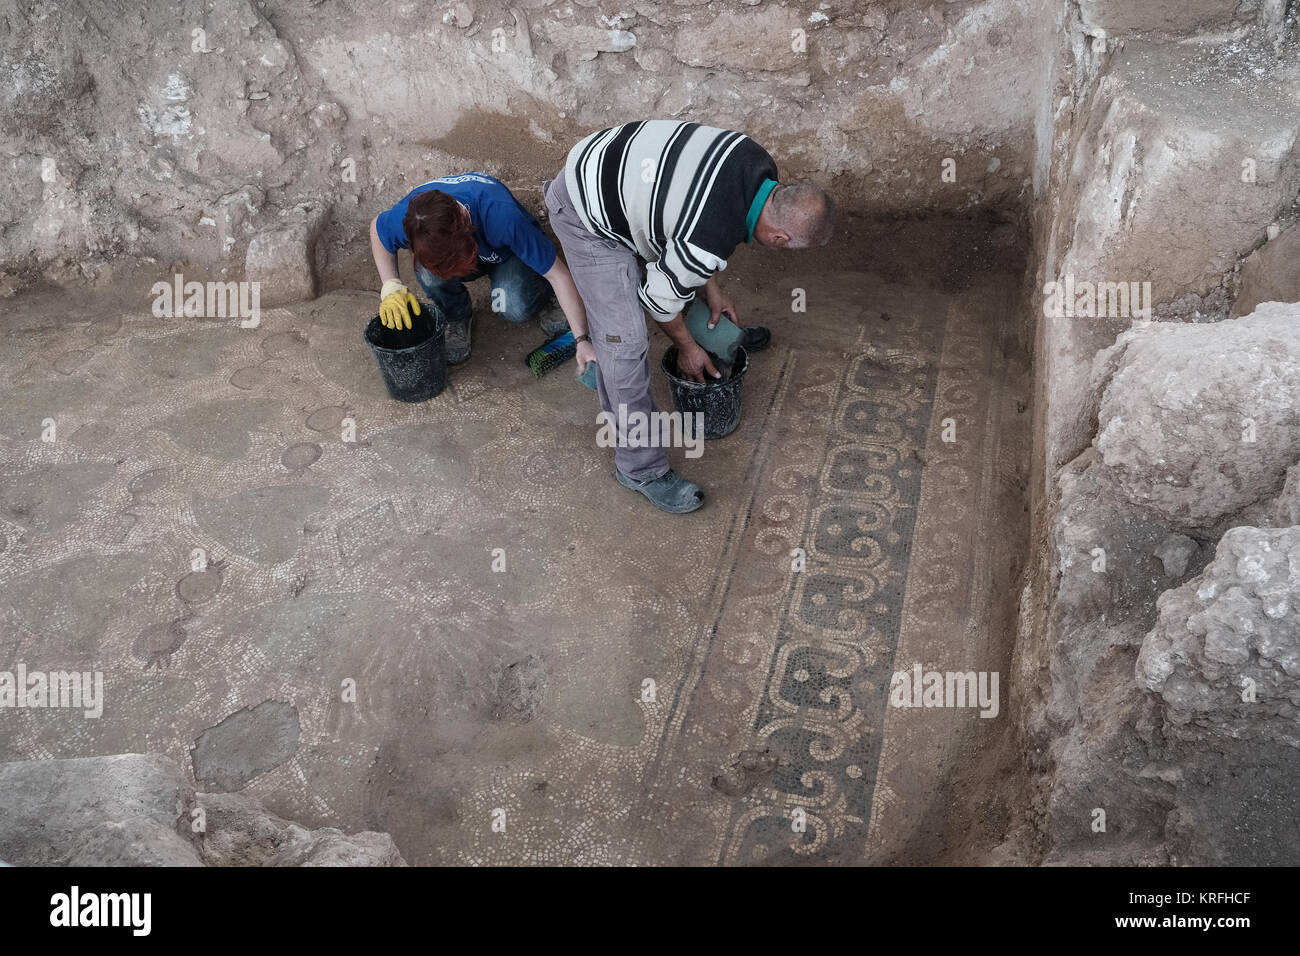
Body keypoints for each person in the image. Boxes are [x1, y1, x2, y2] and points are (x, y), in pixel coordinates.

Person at [544, 121, 834, 514]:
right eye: (786, 248)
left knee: (683, 278)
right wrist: (686, 347)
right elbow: (659, 301)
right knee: (625, 346)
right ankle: (639, 468)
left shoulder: (755, 162)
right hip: (585, 214)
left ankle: (720, 339)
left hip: (611, 171)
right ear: (780, 238)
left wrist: (712, 289)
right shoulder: (706, 238)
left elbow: (690, 218)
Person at [369, 172, 595, 369]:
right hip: (468, 247)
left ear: (466, 221)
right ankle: (457, 315)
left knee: (513, 307)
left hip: (507, 255)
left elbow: (559, 274)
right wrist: (391, 286)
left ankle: (542, 296)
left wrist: (581, 339)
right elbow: (377, 229)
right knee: (426, 271)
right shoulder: (413, 220)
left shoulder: (502, 216)